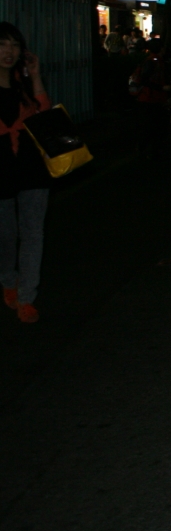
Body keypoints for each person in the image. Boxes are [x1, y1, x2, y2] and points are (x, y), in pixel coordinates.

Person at [0, 24, 51, 323]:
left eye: (14, 46)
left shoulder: (23, 82)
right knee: (5, 236)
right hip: (1, 169)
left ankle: (26, 298)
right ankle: (8, 279)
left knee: (33, 233)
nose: (9, 52)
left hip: (31, 167)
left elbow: (45, 115)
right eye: (3, 45)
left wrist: (36, 76)